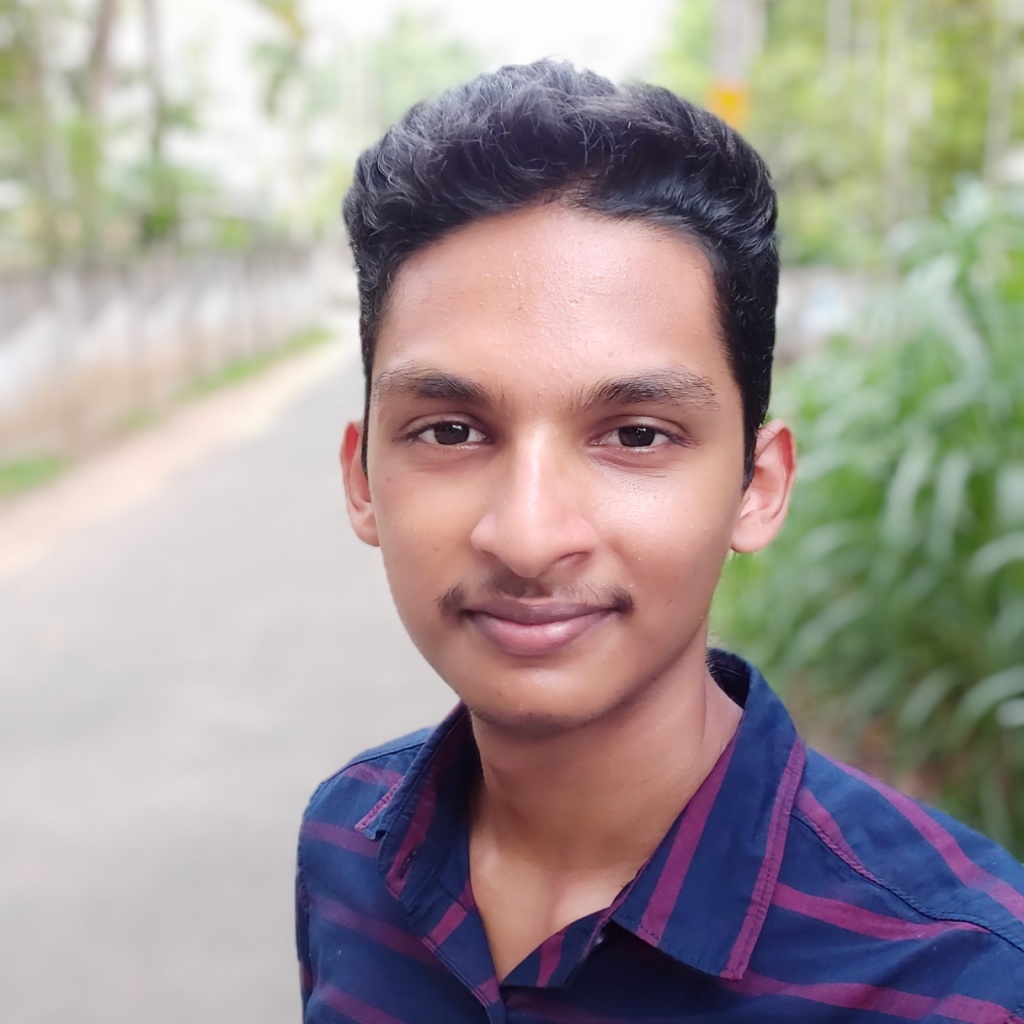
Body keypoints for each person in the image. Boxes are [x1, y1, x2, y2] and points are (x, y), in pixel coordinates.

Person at [295, 61, 1024, 1021]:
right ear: (362, 480)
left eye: (636, 436)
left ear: (757, 487)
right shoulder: (346, 842)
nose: (527, 537)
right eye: (451, 430)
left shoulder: (964, 980)